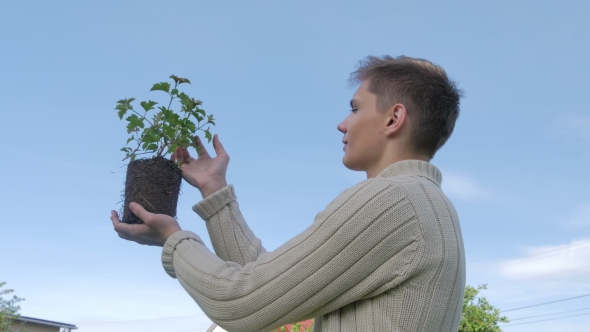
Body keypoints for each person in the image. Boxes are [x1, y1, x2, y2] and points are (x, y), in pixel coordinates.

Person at [111, 55, 465, 332]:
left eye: (355, 108)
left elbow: (244, 303)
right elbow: (272, 285)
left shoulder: (393, 200)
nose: (343, 123)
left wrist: (173, 240)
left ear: (393, 119)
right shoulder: (423, 204)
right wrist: (214, 192)